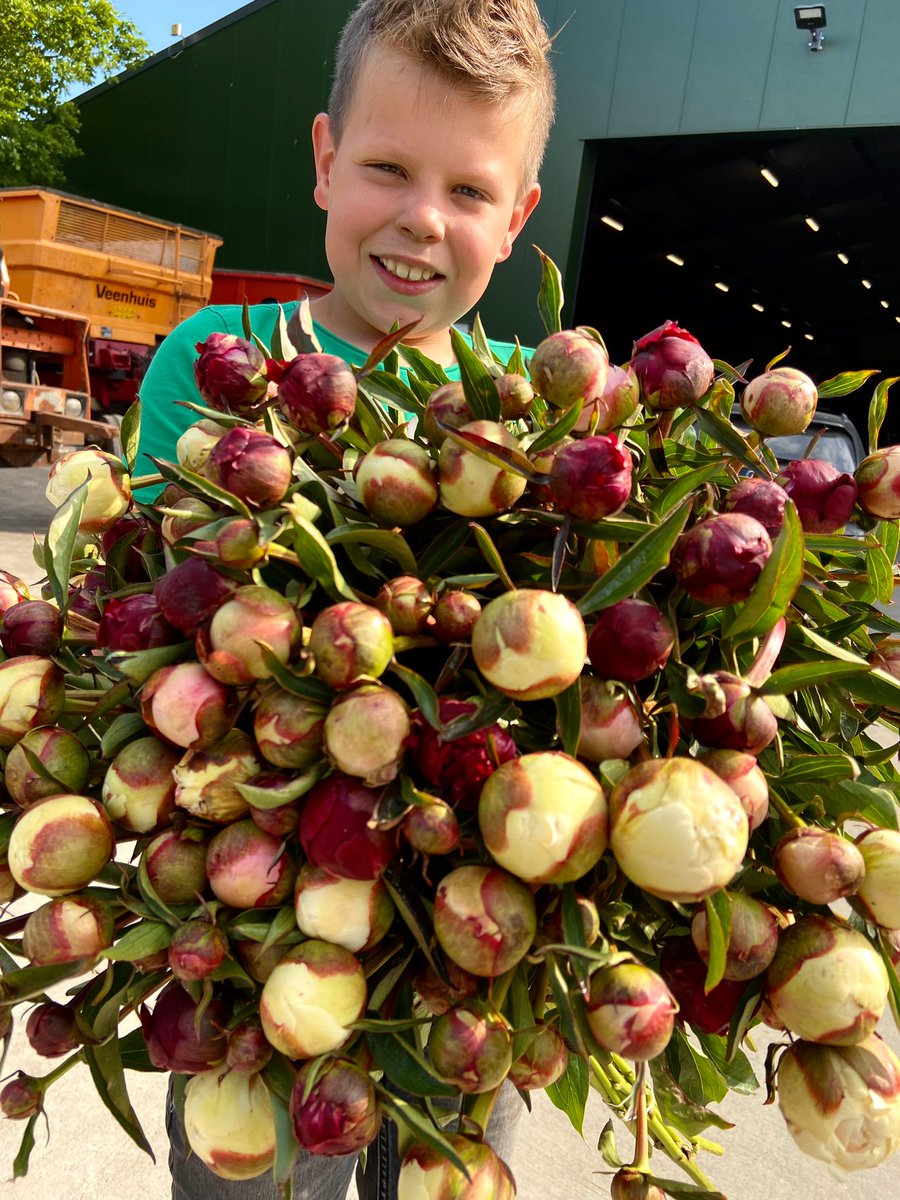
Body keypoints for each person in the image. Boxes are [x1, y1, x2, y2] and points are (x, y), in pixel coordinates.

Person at [136, 2, 556, 1196]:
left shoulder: (540, 414)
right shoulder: (217, 361)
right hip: (257, 953)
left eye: (471, 192)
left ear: (520, 216)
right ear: (325, 162)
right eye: (386, 169)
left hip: (472, 960)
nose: (423, 219)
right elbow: (172, 604)